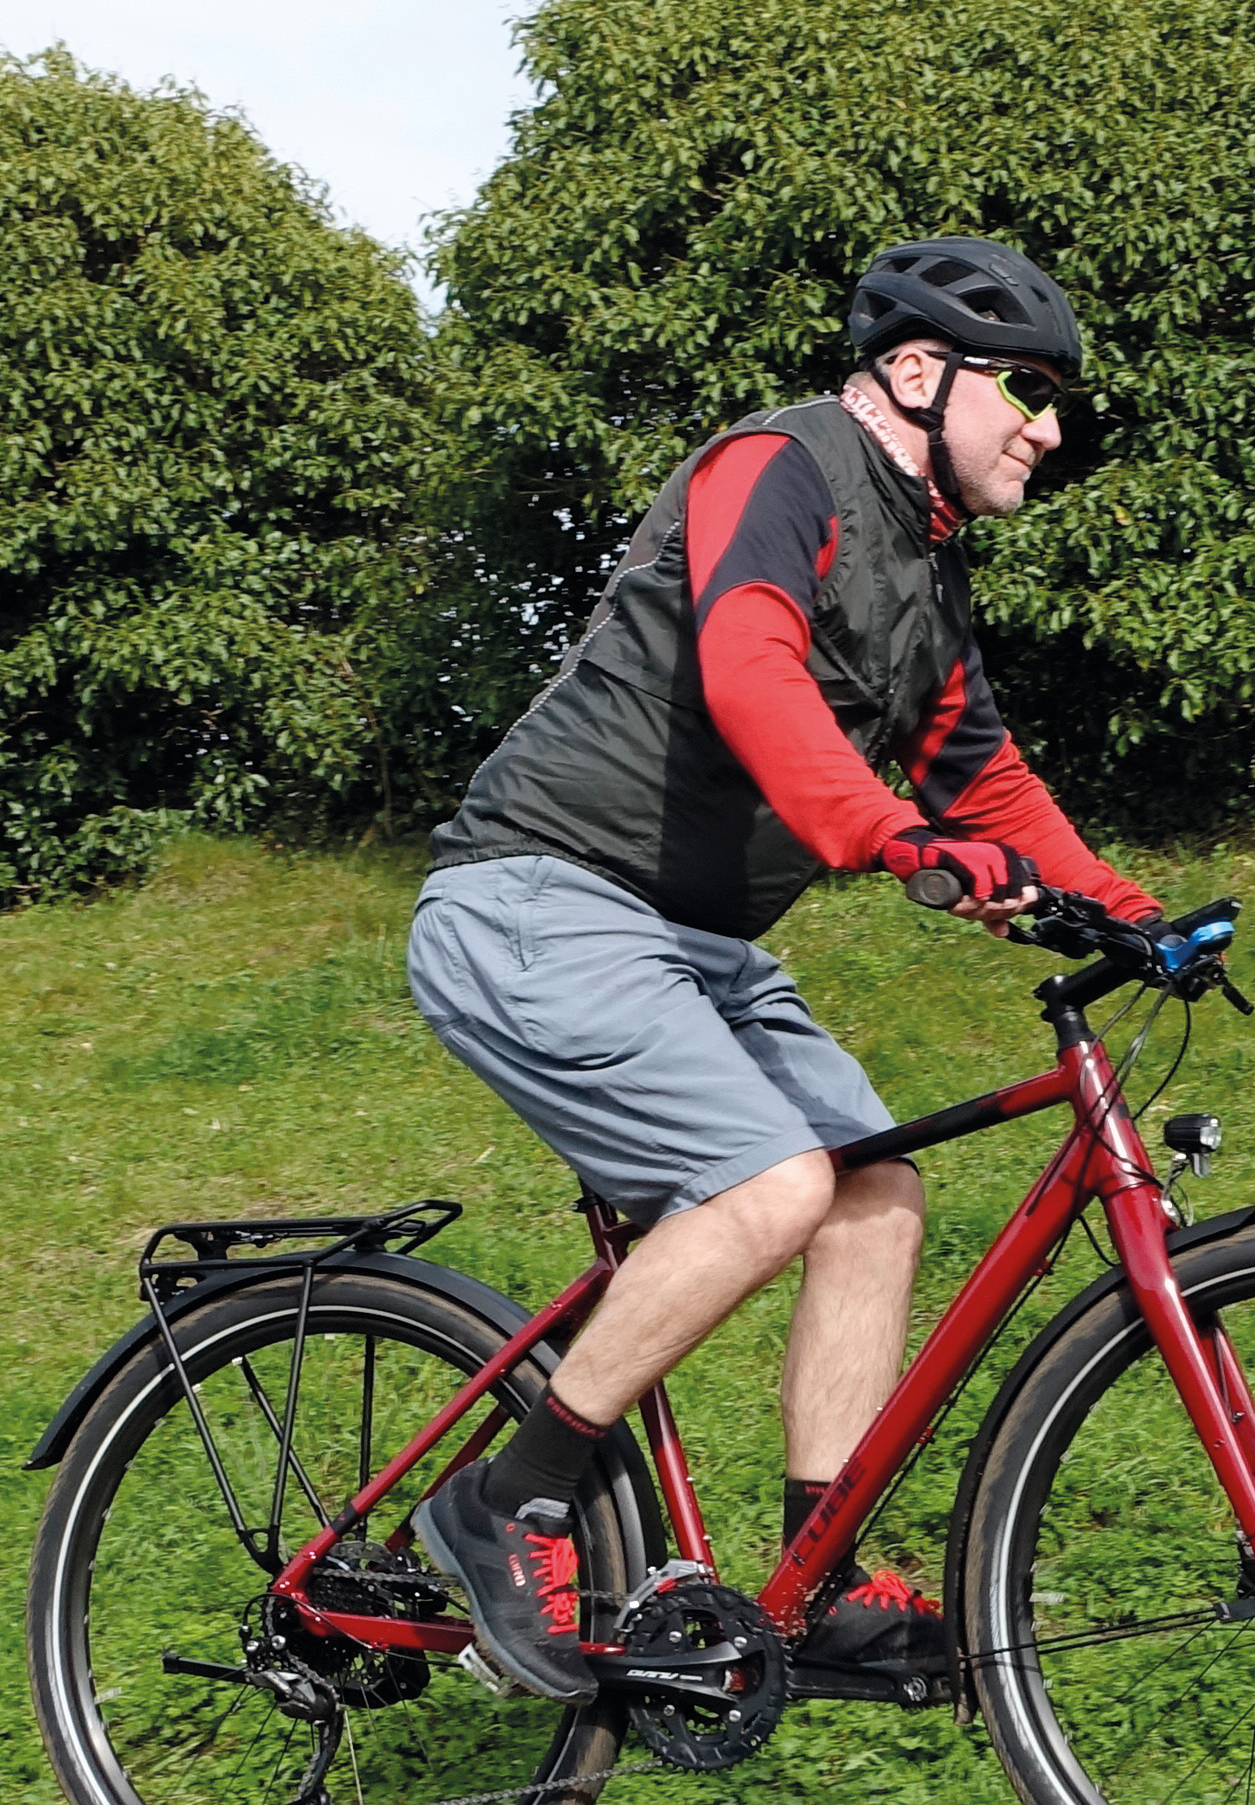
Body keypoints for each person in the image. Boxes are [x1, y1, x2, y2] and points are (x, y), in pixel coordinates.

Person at [402, 236, 1153, 1699]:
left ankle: (820, 1581)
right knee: (772, 1181)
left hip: (694, 947)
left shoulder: (928, 579)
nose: (1051, 430)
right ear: (920, 373)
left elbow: (986, 781)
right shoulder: (779, 467)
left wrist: (1134, 915)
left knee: (873, 1191)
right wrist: (883, 835)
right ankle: (504, 1503)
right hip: (539, 902)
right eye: (1029, 390)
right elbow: (750, 666)